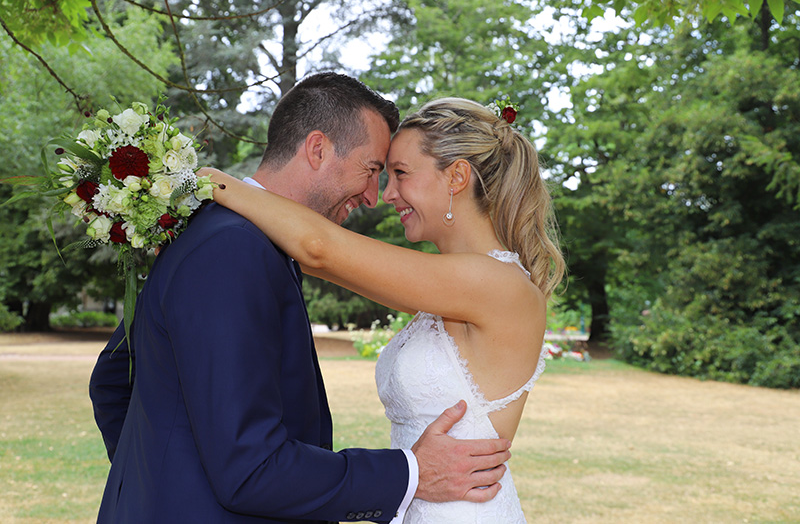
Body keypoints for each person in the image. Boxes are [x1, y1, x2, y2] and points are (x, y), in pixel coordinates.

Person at [88, 74, 512, 524]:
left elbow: (113, 382)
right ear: (317, 149)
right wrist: (411, 473)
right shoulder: (233, 248)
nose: (375, 197)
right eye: (372, 170)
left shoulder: (221, 232)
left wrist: (160, 481)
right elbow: (250, 468)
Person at [198, 96, 566, 523]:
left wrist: (210, 180)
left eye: (401, 175)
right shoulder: (446, 286)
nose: (386, 195)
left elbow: (319, 250)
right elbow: (325, 262)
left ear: (457, 177)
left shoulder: (496, 284)